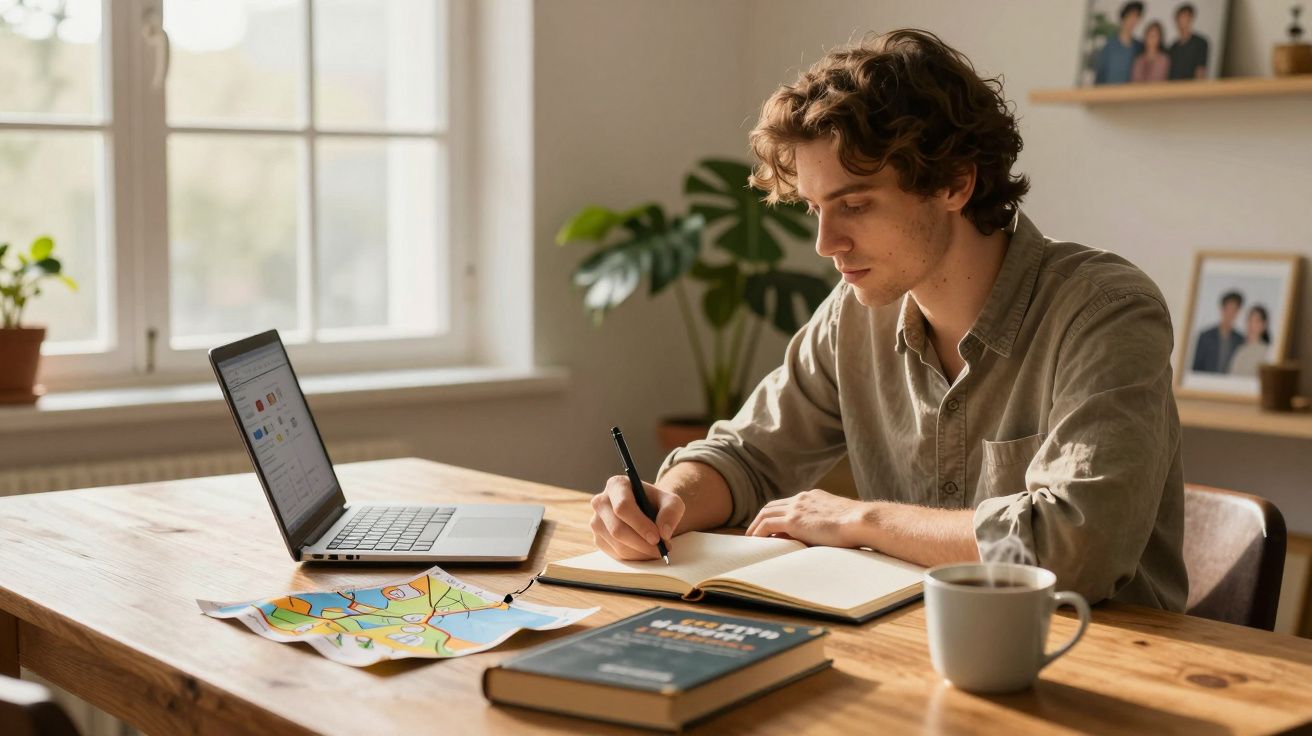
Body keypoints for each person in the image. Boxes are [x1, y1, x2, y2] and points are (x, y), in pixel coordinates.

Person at [589, 29, 1188, 611]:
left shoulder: (1105, 313)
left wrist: (861, 519)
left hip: (1102, 668)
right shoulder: (851, 318)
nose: (826, 243)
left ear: (955, 183)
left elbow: (1076, 548)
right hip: (908, 650)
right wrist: (668, 499)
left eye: (854, 205)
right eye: (815, 209)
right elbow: (747, 456)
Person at [1191, 291, 1245, 373]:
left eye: (1234, 310)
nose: (1230, 313)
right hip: (1205, 382)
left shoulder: (1240, 339)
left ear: (1238, 312)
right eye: (1228, 309)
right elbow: (1196, 366)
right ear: (1222, 309)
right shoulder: (1205, 336)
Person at [1095, 1, 1144, 84]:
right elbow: (1100, 74)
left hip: (1130, 94)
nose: (1133, 21)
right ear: (1123, 17)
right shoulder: (1110, 45)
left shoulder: (1139, 46)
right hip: (1109, 92)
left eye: (1136, 17)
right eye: (1130, 16)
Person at [1168, 3, 1210, 80]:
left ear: (1191, 18)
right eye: (1179, 17)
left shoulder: (1201, 43)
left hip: (1191, 89)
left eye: (1185, 17)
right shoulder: (1173, 47)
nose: (1182, 21)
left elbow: (1200, 72)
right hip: (1173, 89)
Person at [1228, 305, 1271, 377]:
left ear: (1264, 325)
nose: (1251, 325)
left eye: (1256, 321)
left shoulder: (1267, 352)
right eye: (1249, 320)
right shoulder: (1240, 349)